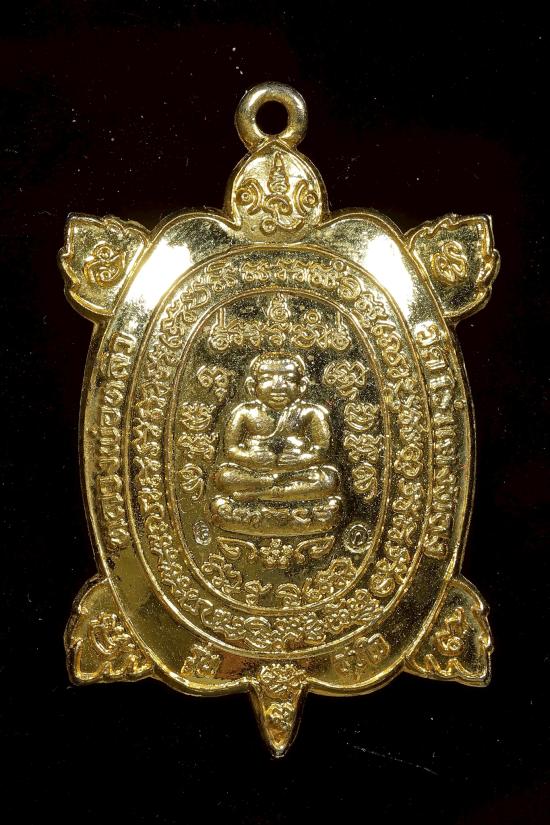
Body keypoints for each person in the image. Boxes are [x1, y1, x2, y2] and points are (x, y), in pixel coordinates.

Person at [212, 352, 339, 502]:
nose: (278, 386)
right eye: (267, 378)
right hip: (256, 473)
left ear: (302, 386)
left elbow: (322, 450)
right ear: (252, 386)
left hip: (297, 472)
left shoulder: (311, 412)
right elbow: (231, 449)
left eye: (289, 379)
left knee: (329, 479)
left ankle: (259, 494)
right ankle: (279, 490)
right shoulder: (245, 412)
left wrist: (302, 459)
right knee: (224, 477)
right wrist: (250, 458)